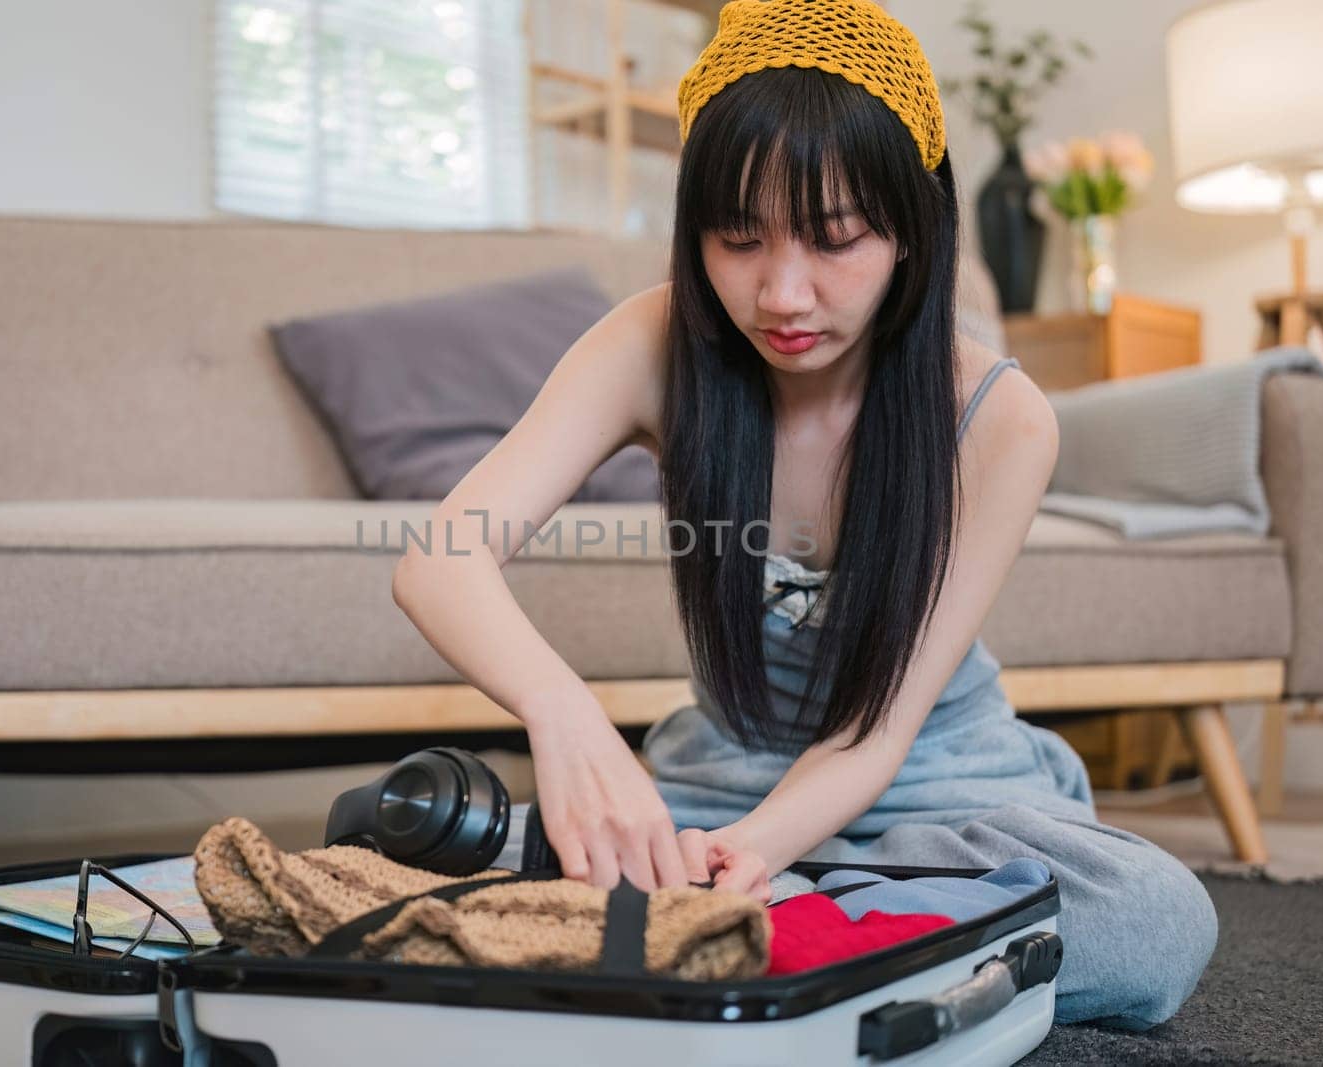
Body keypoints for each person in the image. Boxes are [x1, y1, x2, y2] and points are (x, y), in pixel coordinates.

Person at [391, 0, 1215, 1030]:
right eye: (737, 239)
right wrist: (569, 722)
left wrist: (758, 856)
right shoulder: (652, 343)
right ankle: (823, 946)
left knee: (1153, 921)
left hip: (940, 799)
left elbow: (876, 732)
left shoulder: (997, 417)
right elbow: (441, 557)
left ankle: (743, 933)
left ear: (912, 229)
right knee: (417, 843)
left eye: (833, 240)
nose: (783, 292)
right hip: (715, 784)